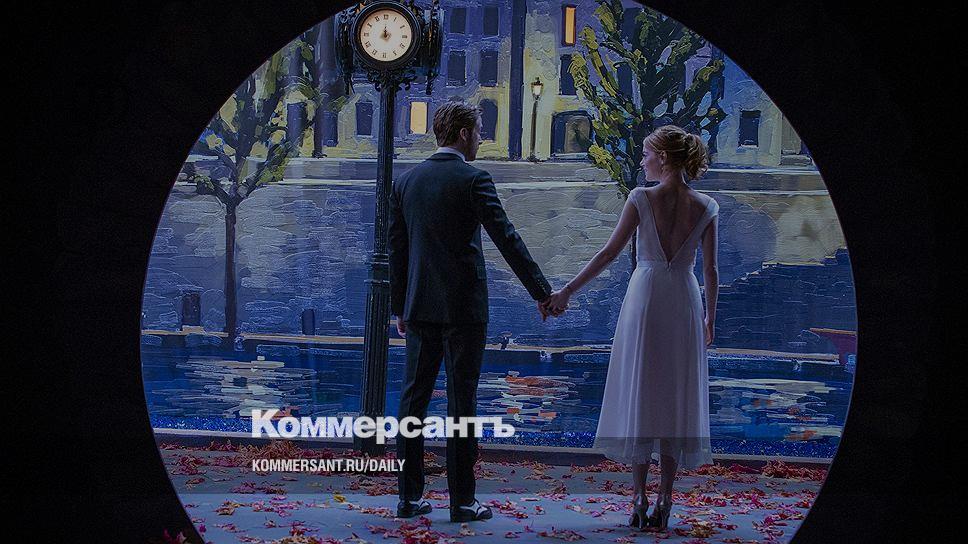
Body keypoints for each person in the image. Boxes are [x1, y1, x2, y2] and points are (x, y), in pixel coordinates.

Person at [544, 125, 720, 531]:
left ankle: (639, 496)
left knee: (642, 389)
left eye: (646, 154)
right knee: (674, 396)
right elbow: (711, 270)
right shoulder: (706, 205)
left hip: (646, 298)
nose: (642, 162)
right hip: (684, 299)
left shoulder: (641, 198)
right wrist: (710, 318)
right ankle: (666, 498)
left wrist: (567, 291)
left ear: (664, 158)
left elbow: (609, 253)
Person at [388, 100, 557, 522]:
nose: (480, 139)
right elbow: (506, 238)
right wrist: (541, 291)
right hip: (464, 309)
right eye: (479, 131)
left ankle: (408, 498)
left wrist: (399, 307)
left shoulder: (406, 182)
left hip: (419, 307)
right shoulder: (474, 179)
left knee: (412, 401)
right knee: (462, 404)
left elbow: (397, 251)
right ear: (464, 133)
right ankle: (462, 501)